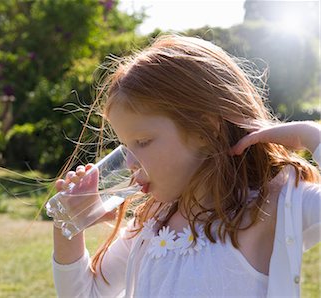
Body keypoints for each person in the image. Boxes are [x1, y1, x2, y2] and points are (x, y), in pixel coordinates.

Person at [51, 34, 321, 297]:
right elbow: (88, 293)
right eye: (124, 146)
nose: (130, 163)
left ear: (206, 131)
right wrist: (68, 226)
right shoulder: (153, 222)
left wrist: (311, 136)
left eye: (142, 142)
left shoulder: (272, 204)